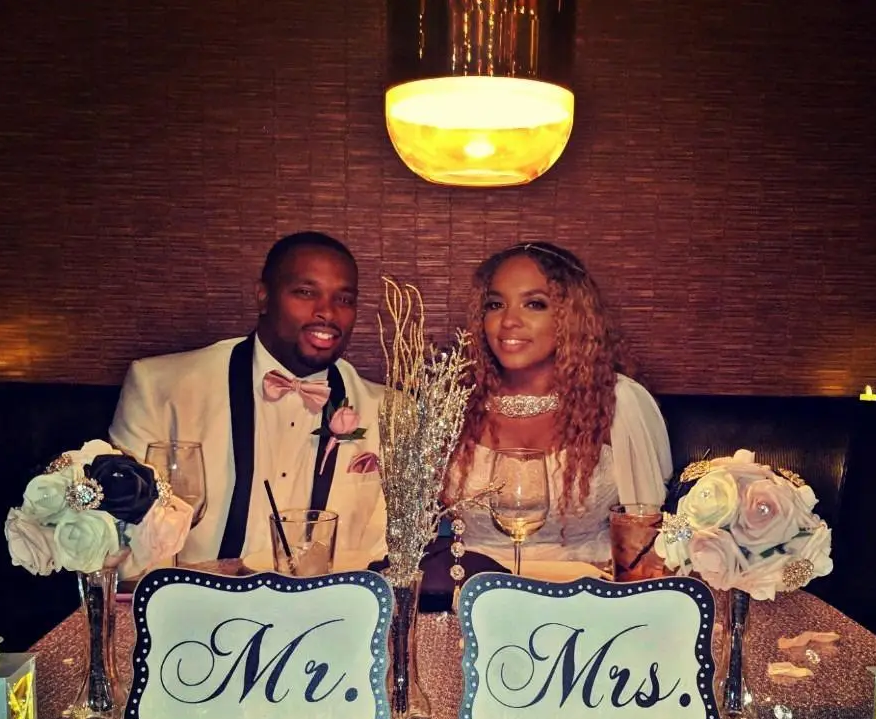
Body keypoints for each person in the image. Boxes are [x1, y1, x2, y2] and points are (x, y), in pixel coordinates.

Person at [109, 231, 387, 566]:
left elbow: (384, 551)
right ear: (263, 297)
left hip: (332, 597)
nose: (327, 312)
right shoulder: (161, 388)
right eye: (305, 292)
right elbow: (127, 535)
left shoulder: (388, 413)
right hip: (197, 594)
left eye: (344, 299)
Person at [445, 241, 672, 566]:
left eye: (534, 304)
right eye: (495, 305)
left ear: (571, 316)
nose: (509, 321)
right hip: (471, 587)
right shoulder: (453, 403)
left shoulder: (618, 400)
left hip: (586, 589)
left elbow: (646, 538)